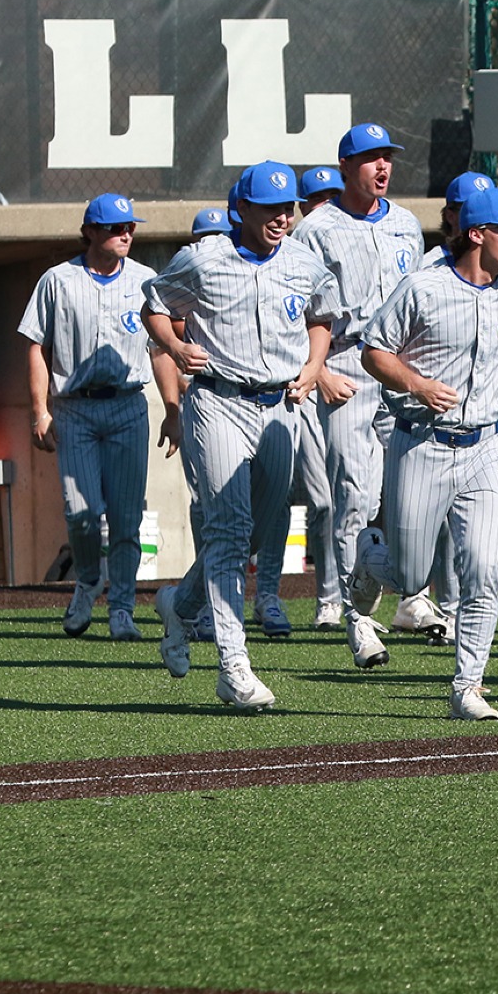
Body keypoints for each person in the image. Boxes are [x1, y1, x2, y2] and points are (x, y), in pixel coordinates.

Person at [348, 186, 498, 720]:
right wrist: (417, 384)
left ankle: (468, 685)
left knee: (484, 570)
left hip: (485, 447)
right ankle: (372, 557)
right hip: (422, 443)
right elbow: (374, 350)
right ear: (476, 234)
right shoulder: (423, 285)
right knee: (410, 575)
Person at [145, 161, 341, 711]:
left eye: (289, 208)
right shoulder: (203, 259)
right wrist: (177, 348)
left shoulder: (303, 261)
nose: (282, 217)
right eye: (270, 208)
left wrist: (314, 363)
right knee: (230, 529)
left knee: (256, 531)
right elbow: (154, 306)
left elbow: (323, 316)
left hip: (280, 403)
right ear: (243, 210)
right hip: (217, 400)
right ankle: (234, 668)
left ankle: (178, 605)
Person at [288, 122, 425, 671]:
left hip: (399, 366)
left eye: (387, 157)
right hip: (345, 366)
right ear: (346, 167)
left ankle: (411, 599)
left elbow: (421, 302)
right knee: (355, 495)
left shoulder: (408, 225)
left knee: (411, 493)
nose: (382, 167)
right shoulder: (316, 229)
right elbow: (293, 309)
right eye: (370, 159)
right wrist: (316, 372)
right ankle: (357, 618)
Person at [18, 193, 158, 642]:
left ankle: (122, 608)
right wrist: (39, 410)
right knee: (80, 513)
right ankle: (88, 580)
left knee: (125, 516)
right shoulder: (57, 280)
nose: (126, 234)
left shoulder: (146, 280)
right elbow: (36, 345)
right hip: (75, 407)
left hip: (127, 404)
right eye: (116, 228)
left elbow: (163, 348)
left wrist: (174, 410)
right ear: (91, 232)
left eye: (130, 227)